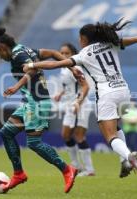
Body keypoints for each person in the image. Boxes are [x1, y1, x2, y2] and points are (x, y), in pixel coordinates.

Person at [23, 18, 137, 178]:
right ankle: (124, 160)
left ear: (84, 39)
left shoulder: (84, 54)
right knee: (116, 128)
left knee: (109, 135)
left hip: (106, 94)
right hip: (124, 91)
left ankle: (129, 157)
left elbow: (55, 64)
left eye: (80, 39)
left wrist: (33, 65)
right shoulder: (111, 43)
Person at [0, 27, 79, 193]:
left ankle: (67, 169)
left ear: (3, 47)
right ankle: (18, 174)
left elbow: (33, 69)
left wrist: (16, 86)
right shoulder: (25, 49)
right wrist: (72, 67)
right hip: (30, 102)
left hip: (37, 102)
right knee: (6, 133)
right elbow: (53, 53)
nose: (0, 56)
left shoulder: (19, 55)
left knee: (34, 143)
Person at [54, 43, 95, 176]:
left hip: (81, 105)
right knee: (65, 135)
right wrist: (60, 93)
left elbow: (86, 87)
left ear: (73, 55)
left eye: (67, 53)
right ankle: (76, 166)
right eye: (62, 53)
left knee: (79, 136)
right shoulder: (63, 68)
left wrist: (78, 102)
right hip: (70, 105)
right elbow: (69, 85)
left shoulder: (76, 67)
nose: (63, 56)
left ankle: (89, 170)